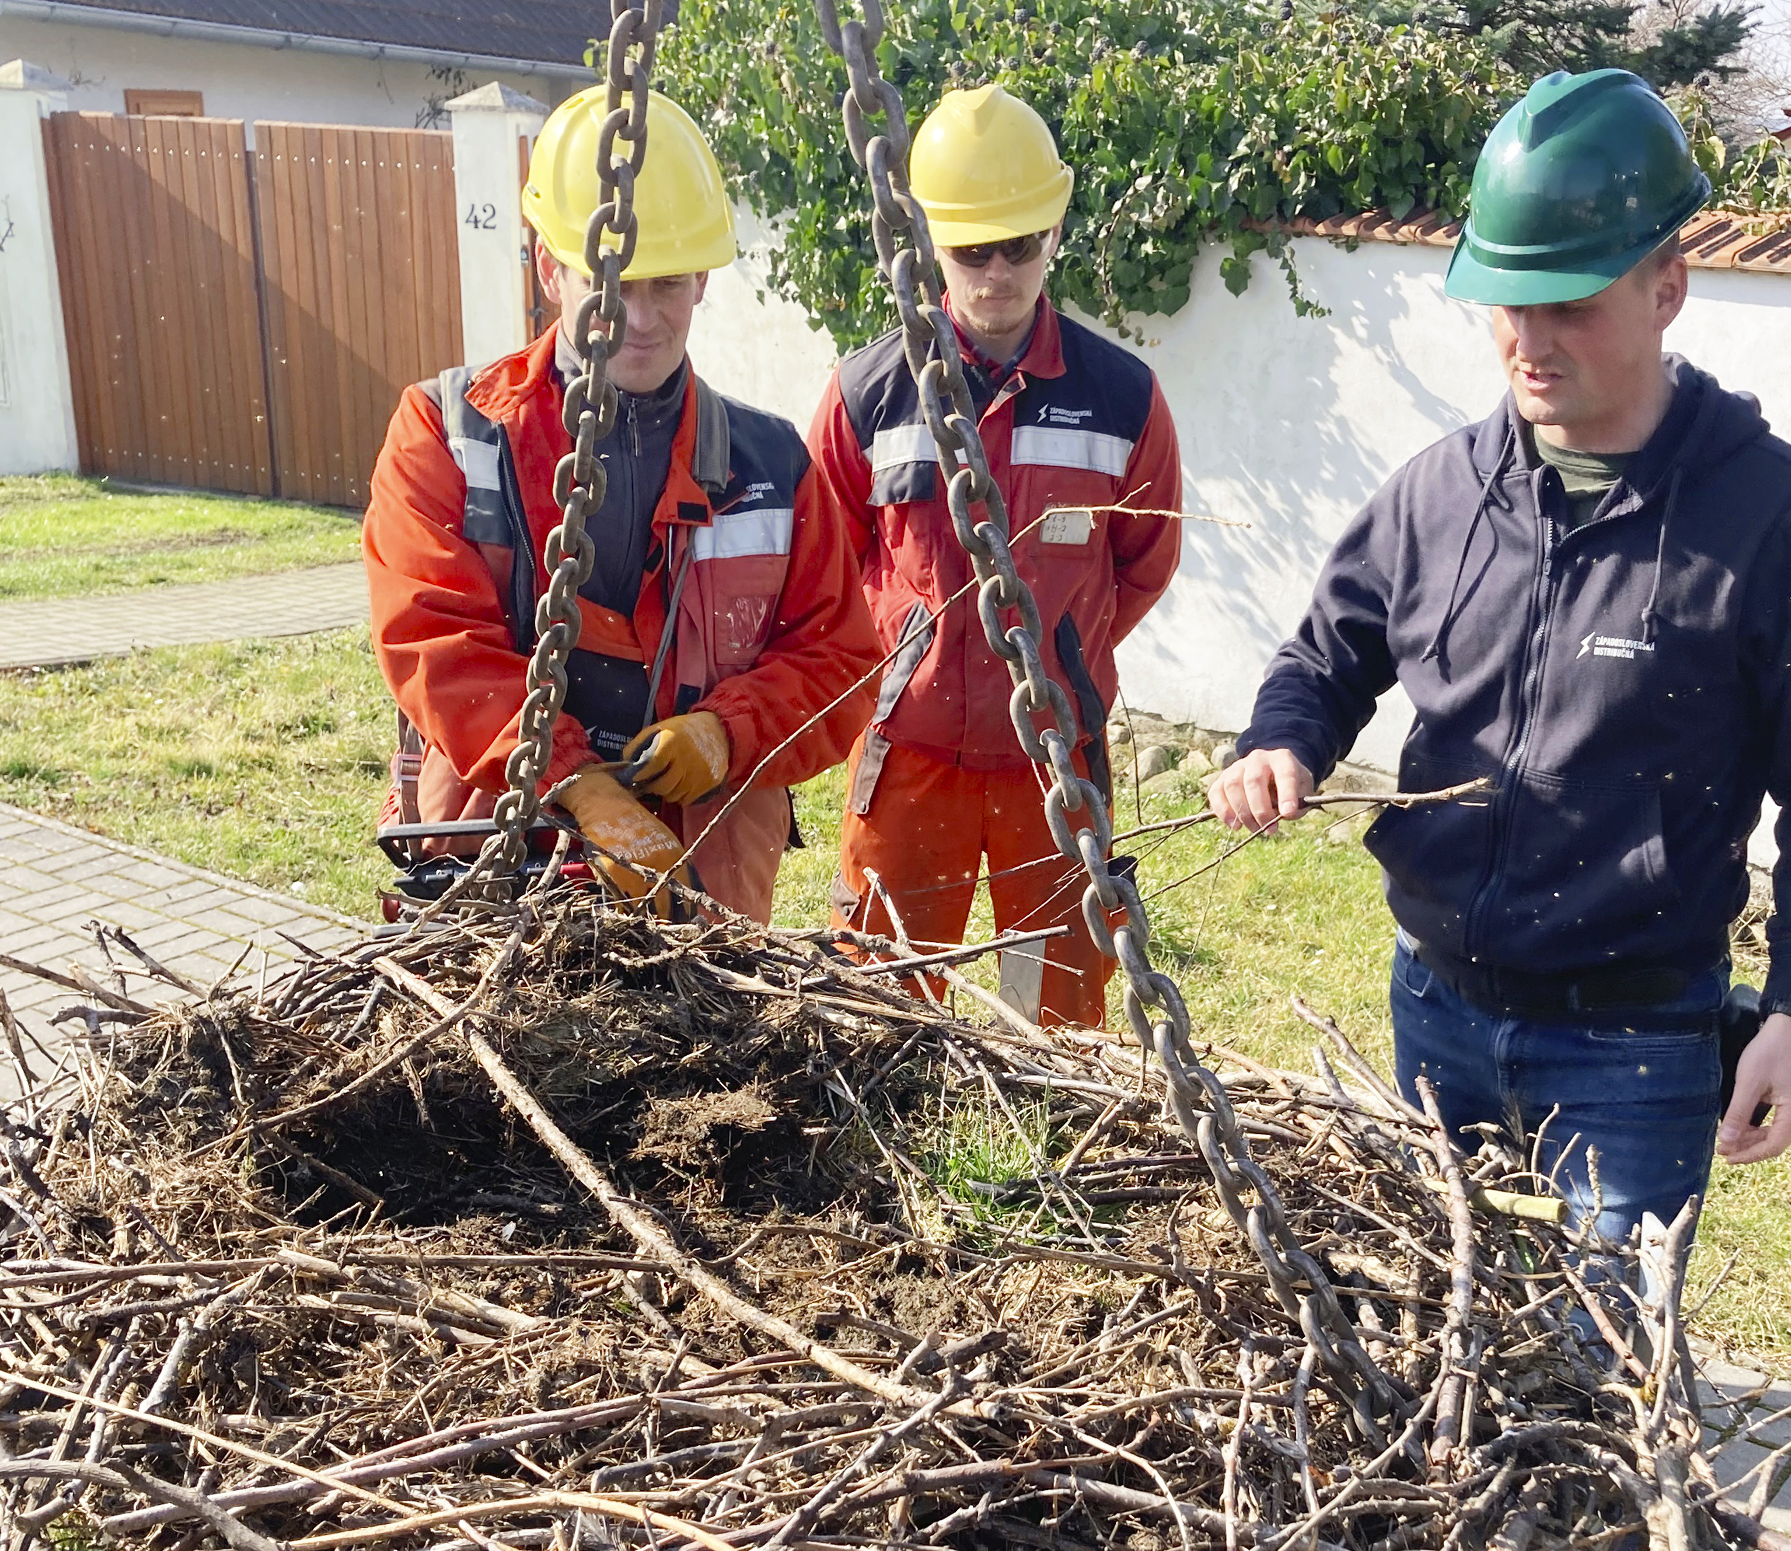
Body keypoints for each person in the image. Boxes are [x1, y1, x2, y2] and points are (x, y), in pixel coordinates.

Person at [1208, 67, 1791, 1242]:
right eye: (1505, 303)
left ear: (1665, 287)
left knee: (1600, 1381)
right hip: (1434, 1008)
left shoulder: (1772, 517)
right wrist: (1281, 738)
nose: (1527, 342)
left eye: (1569, 303)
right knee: (1440, 1348)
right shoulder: (1439, 490)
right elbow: (1328, 650)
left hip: (1634, 1050)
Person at [364, 85, 879, 920]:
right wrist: (574, 781)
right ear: (548, 267)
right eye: (611, 286)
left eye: (667, 285)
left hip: (700, 881)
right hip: (498, 856)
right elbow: (436, 642)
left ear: (704, 280)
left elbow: (839, 660)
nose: (639, 320)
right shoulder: (449, 436)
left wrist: (727, 729)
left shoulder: (772, 465)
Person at [807, 84, 1183, 1026]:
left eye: (1020, 245)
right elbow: (825, 564)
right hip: (908, 756)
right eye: (974, 249)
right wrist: (907, 662)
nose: (998, 271)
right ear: (933, 243)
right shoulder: (867, 394)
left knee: (1047, 1009)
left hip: (1049, 759)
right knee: (884, 1003)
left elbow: (1143, 559)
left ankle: (1036, 1158)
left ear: (1053, 233)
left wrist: (1059, 649)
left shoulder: (1122, 398)